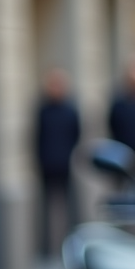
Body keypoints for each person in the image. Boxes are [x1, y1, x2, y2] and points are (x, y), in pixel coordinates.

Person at [34, 68, 80, 257]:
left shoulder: (70, 110)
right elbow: (36, 137)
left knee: (70, 208)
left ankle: (72, 243)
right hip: (46, 165)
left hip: (65, 164)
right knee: (45, 210)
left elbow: (76, 134)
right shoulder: (43, 110)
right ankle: (46, 249)